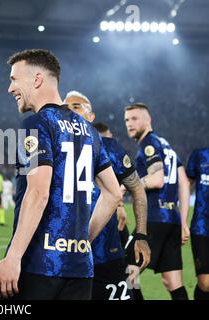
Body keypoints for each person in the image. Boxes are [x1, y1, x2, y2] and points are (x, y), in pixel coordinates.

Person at [0, 49, 122, 300]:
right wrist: (82, 241)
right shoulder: (90, 131)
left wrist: (14, 257)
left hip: (39, 264)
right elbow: (113, 194)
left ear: (37, 79)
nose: (9, 88)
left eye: (14, 79)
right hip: (80, 268)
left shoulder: (36, 124)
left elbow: (38, 192)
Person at [64, 91, 150, 300]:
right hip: (63, 255)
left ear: (90, 116)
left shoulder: (110, 148)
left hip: (106, 254)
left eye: (76, 107)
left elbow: (137, 189)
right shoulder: (50, 146)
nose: (69, 112)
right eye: (65, 109)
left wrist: (140, 235)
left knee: (132, 289)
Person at [124, 102, 190, 300]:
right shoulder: (166, 145)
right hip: (172, 221)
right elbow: (184, 182)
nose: (129, 124)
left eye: (135, 119)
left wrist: (126, 184)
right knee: (172, 281)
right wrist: (183, 222)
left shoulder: (149, 143)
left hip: (153, 219)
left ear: (148, 120)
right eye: (127, 120)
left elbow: (157, 180)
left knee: (127, 272)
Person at [186, 147, 209, 300]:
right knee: (205, 284)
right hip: (201, 227)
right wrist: (182, 219)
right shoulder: (200, 155)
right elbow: (186, 184)